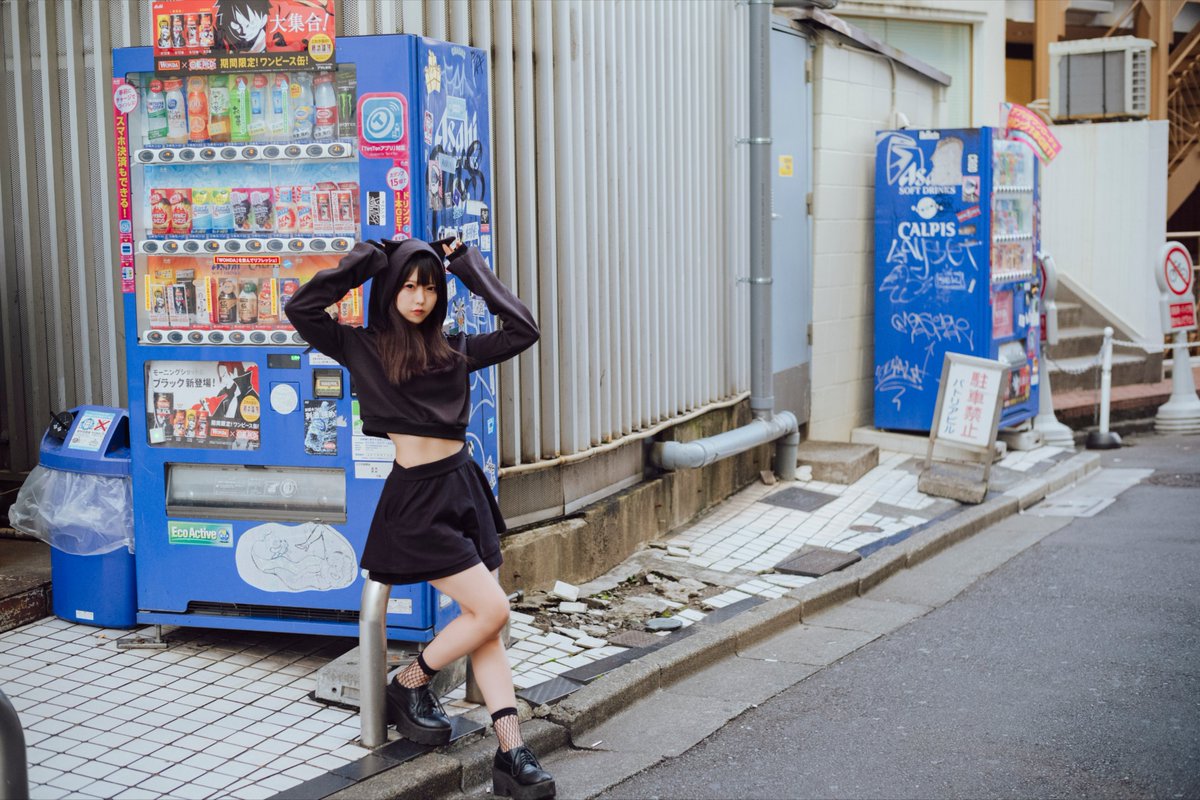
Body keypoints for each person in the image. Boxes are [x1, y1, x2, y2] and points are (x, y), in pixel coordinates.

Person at [284, 237, 554, 800]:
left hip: (463, 487)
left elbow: (523, 330)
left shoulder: (454, 349)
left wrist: (467, 265)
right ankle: (410, 680)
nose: (419, 298)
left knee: (483, 621)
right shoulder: (360, 346)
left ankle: (511, 752)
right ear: (390, 290)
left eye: (429, 287)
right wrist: (368, 259)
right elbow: (302, 308)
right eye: (408, 286)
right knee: (492, 610)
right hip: (416, 502)